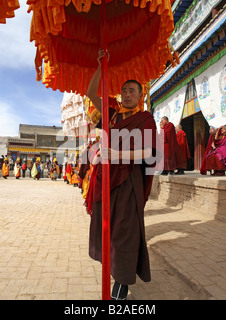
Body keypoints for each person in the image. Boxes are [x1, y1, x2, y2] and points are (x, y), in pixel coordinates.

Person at [86, 49, 158, 300]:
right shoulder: (112, 114)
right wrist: (99, 65)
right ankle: (113, 269)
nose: (127, 94)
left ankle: (123, 280)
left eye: (132, 91)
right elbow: (91, 94)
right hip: (106, 180)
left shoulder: (145, 118)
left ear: (140, 96)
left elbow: (148, 152)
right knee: (107, 227)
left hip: (128, 179)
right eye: (124, 90)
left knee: (125, 229)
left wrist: (116, 156)